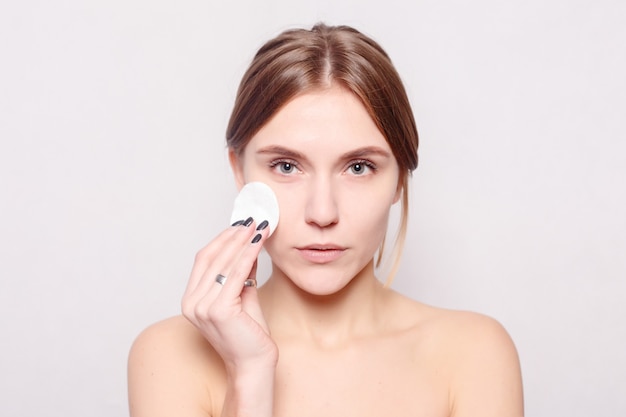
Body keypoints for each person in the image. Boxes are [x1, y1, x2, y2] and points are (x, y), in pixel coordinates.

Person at [127, 23, 524, 417]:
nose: (322, 213)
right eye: (286, 166)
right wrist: (249, 376)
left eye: (357, 167)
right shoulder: (169, 357)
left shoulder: (474, 355)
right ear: (239, 171)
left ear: (400, 178)